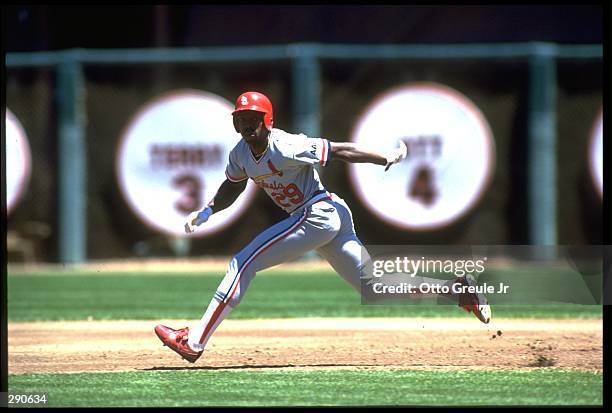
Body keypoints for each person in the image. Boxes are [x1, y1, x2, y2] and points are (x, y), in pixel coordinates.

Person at [154, 91, 491, 363]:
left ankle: (194, 341)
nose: (246, 124)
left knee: (242, 263)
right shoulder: (240, 153)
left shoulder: (286, 144)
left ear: (267, 120)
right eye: (241, 119)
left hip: (318, 212)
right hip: (321, 217)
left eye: (253, 118)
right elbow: (234, 184)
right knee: (373, 288)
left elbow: (339, 150)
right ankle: (457, 289)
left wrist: (383, 157)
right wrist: (210, 208)